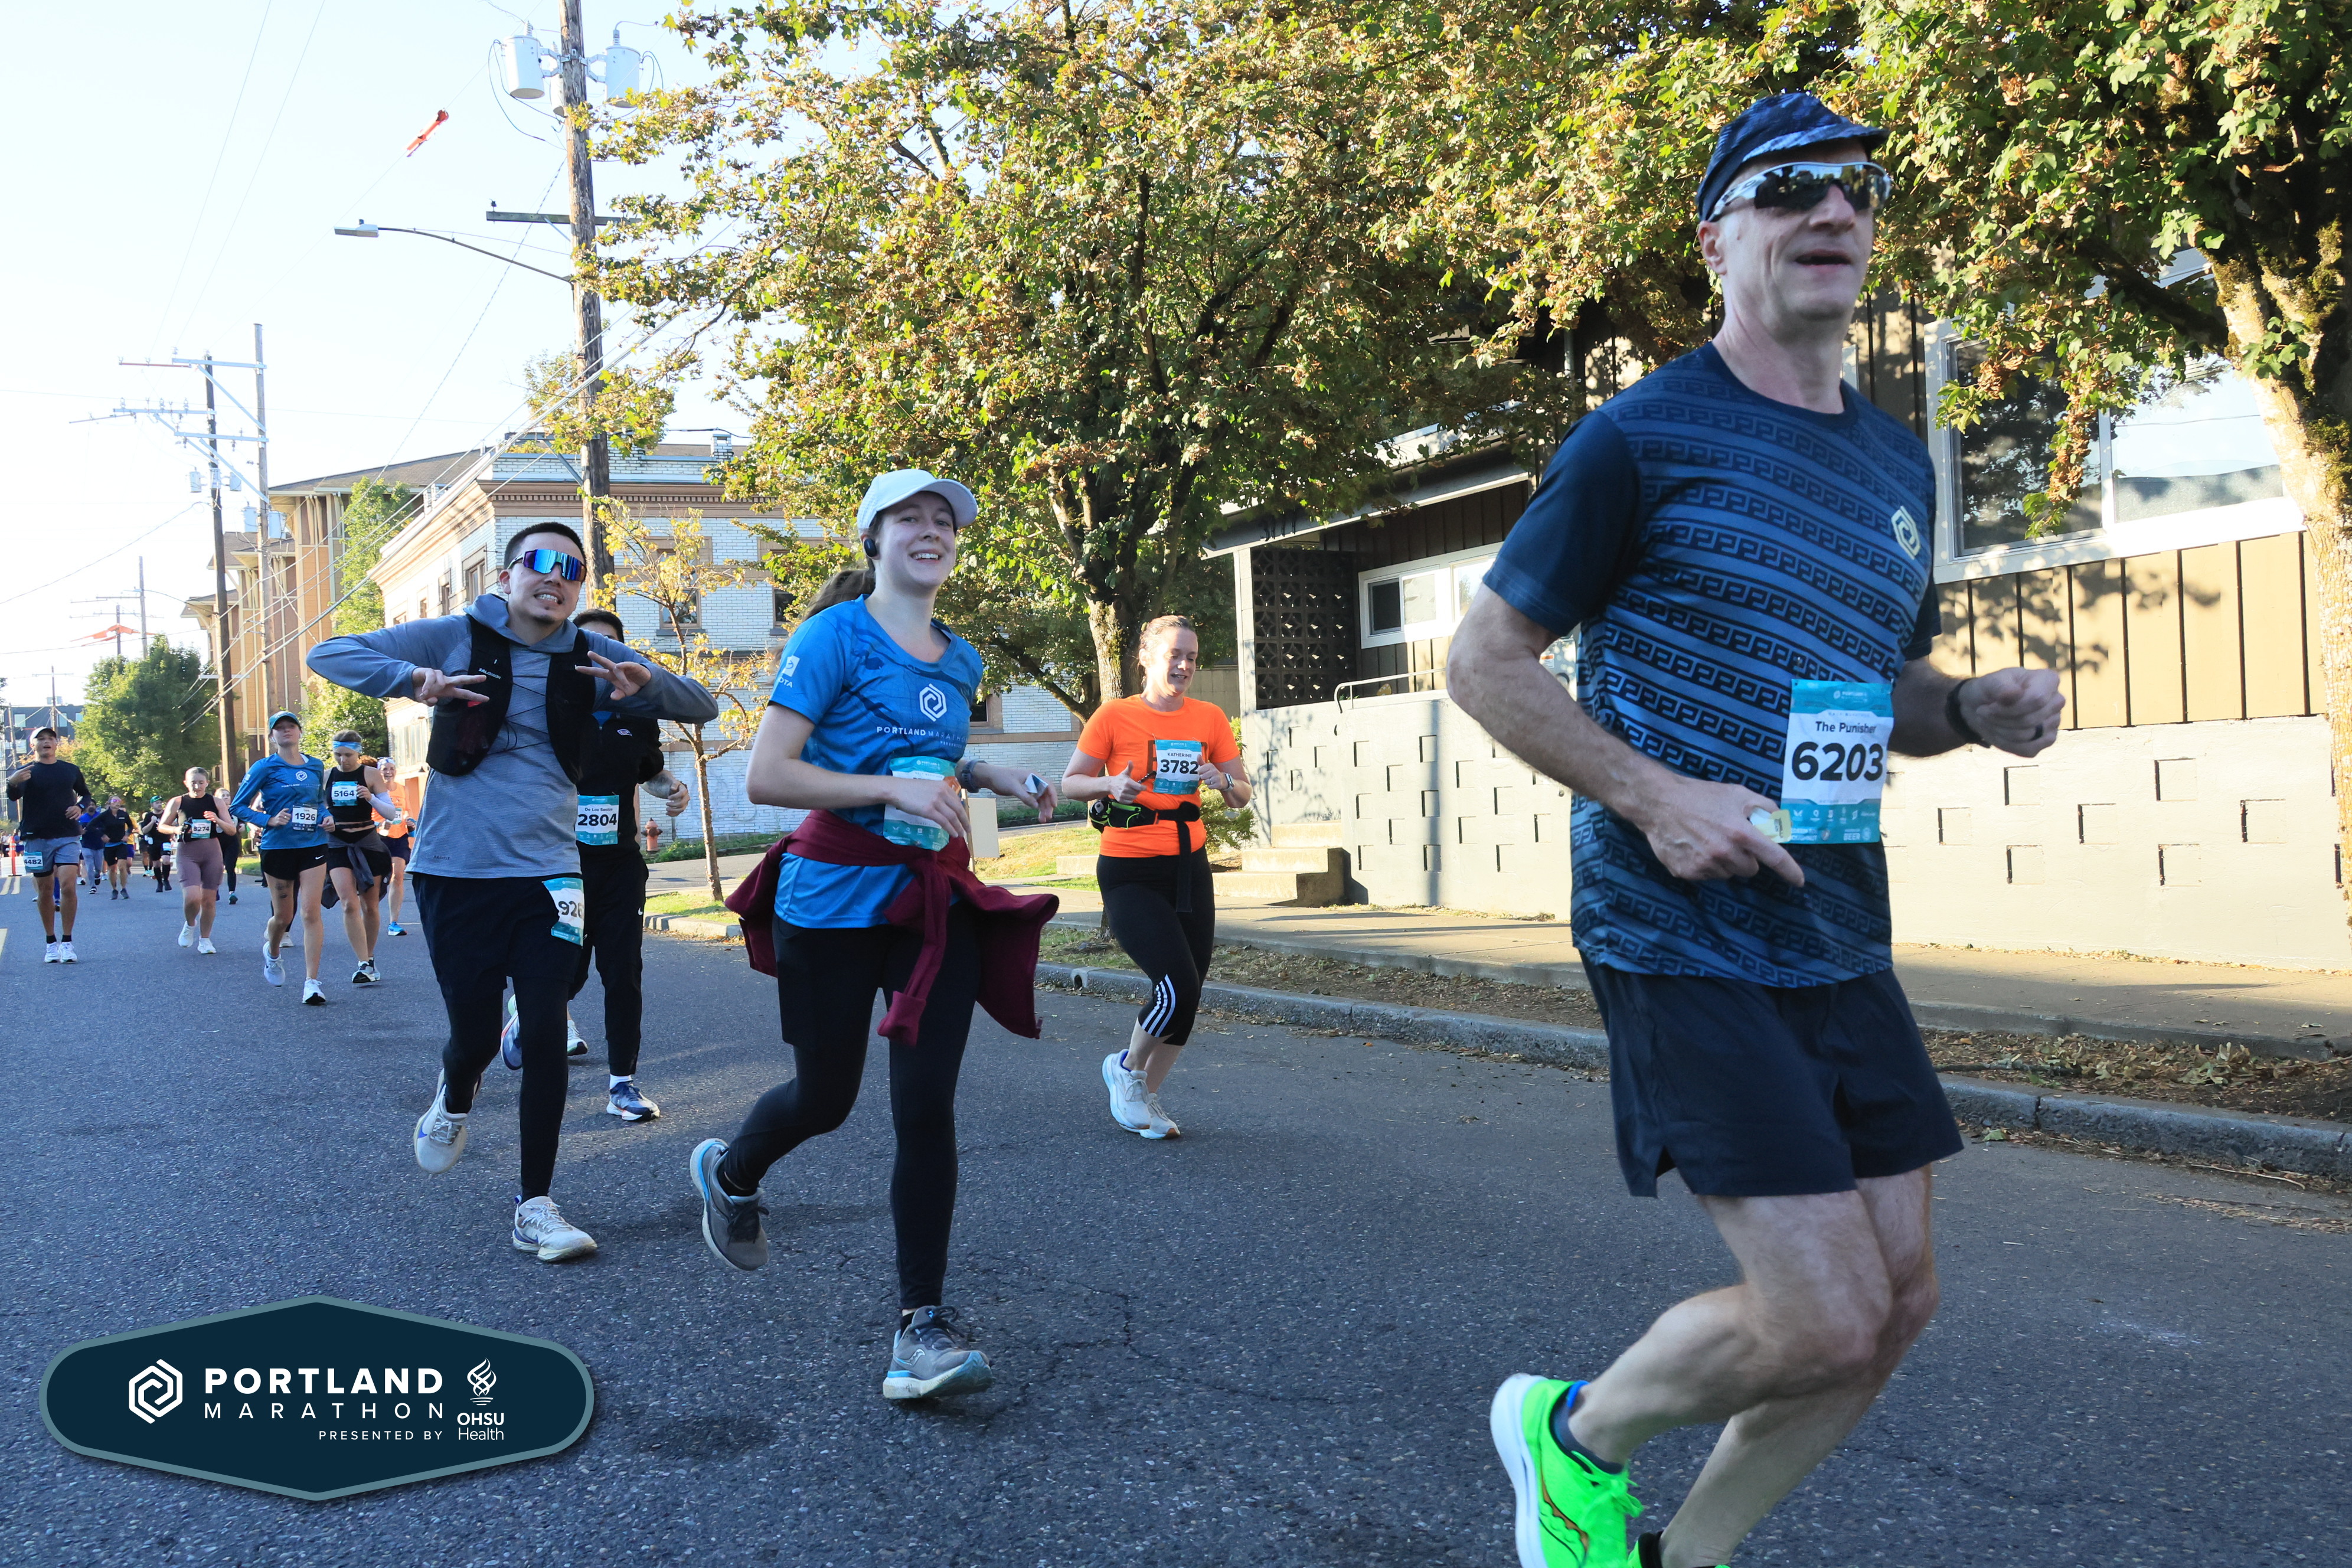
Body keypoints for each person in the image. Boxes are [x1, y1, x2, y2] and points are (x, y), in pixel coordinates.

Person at [1448, 94, 2069, 1568]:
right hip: (1680, 929)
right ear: (1718, 238)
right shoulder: (1639, 437)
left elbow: (1878, 688)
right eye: (1788, 187)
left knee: (1895, 1305)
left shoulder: (1894, 464)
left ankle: (1681, 1553)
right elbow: (1484, 662)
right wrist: (1657, 797)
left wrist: (1965, 704)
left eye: (1857, 188)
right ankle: (1570, 1433)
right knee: (1822, 1313)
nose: (1833, 209)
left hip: (1840, 930)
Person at [687, 471, 1058, 1401]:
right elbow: (770, 775)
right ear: (875, 538)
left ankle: (919, 1330)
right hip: (829, 900)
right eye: (910, 519)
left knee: (926, 1108)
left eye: (945, 521)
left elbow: (931, 757)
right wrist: (891, 789)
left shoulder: (961, 658)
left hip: (931, 903)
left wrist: (992, 773)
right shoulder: (832, 637)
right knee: (826, 1097)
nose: (931, 532)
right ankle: (732, 1172)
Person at [306, 521, 718, 1263]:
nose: (555, 577)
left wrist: (645, 688)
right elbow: (328, 652)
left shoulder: (590, 653)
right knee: (473, 1037)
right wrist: (414, 681)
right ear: (506, 576)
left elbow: (703, 704)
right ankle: (455, 1092)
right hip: (456, 872)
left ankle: (536, 1204)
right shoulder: (455, 636)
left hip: (552, 873)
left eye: (572, 569)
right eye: (540, 562)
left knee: (546, 1027)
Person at [1060, 614, 1250, 1140]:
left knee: (1190, 993)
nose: (1185, 665)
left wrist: (1222, 779)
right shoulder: (1114, 716)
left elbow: (1242, 794)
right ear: (1146, 658)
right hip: (1130, 871)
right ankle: (1126, 1069)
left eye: (1192, 657)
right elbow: (1070, 783)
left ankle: (1144, 1093)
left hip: (1189, 868)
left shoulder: (1209, 717)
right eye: (1175, 655)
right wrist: (1107, 786)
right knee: (1175, 985)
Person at [510, 604, 690, 1121]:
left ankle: (622, 1085)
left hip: (618, 866)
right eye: (586, 645)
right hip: (560, 864)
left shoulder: (637, 713)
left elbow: (648, 771)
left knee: (623, 971)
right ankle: (526, 1013)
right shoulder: (547, 707)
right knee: (568, 972)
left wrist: (673, 788)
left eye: (607, 646)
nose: (597, 656)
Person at [230, 710, 335, 1005]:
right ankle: (272, 952)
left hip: (313, 844)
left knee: (310, 913)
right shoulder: (264, 767)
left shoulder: (315, 765)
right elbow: (238, 806)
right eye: (280, 728)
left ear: (300, 732)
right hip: (278, 848)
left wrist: (328, 817)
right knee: (283, 917)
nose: (286, 731)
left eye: (291, 726)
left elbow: (318, 802)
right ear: (272, 736)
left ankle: (312, 983)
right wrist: (269, 820)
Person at [320, 733, 404, 985]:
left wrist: (371, 797)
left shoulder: (371, 775)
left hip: (368, 844)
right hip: (337, 845)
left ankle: (370, 957)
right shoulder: (326, 776)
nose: (343, 760)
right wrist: (325, 819)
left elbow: (391, 814)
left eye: (348, 755)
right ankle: (362, 963)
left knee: (370, 906)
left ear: (358, 753)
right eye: (338, 755)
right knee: (349, 904)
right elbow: (317, 807)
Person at [6, 727, 88, 961]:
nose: (46, 742)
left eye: (50, 738)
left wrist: (80, 807)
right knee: (45, 890)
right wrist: (12, 782)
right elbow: (13, 796)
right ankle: (51, 943)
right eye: (41, 739)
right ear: (33, 745)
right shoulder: (26, 772)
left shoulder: (70, 770)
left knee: (68, 886)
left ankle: (68, 942)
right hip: (36, 837)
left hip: (67, 835)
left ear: (56, 744)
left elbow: (86, 795)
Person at [162, 767, 234, 954]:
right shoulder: (178, 802)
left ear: (207, 783)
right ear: (186, 783)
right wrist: (176, 830)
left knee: (209, 900)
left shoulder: (216, 802)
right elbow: (162, 826)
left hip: (212, 852)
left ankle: (205, 940)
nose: (197, 786)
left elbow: (231, 830)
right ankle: (190, 924)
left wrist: (217, 820)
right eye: (193, 783)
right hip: (188, 852)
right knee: (193, 897)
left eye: (201, 783)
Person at [378, 757, 414, 936]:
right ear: (379, 772)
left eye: (392, 768)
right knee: (375, 881)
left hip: (399, 836)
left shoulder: (402, 789)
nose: (389, 772)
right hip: (378, 837)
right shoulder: (375, 789)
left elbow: (407, 811)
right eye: (385, 769)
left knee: (397, 876)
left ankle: (393, 922)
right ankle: (369, 915)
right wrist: (379, 825)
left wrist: (410, 821)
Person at [96, 796, 135, 899]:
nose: (117, 803)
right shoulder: (104, 815)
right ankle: (114, 889)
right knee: (112, 868)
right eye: (115, 801)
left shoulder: (123, 814)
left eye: (119, 801)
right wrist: (103, 835)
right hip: (109, 845)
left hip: (121, 844)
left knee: (122, 867)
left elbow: (131, 826)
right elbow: (92, 826)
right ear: (110, 803)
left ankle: (124, 888)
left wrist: (127, 835)